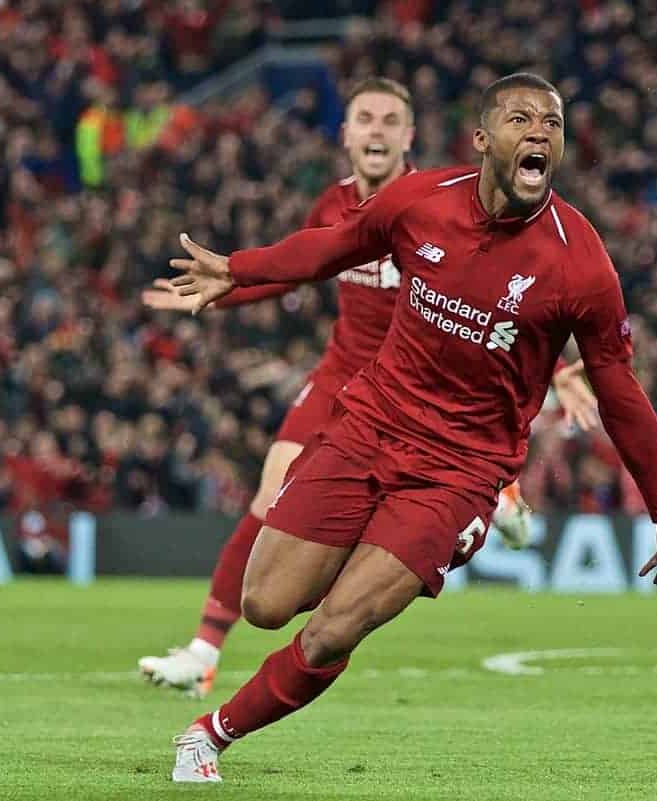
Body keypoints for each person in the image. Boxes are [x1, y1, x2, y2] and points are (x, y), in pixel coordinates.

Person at [164, 72, 657, 783]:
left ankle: (210, 734)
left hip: (459, 470)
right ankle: (352, 555)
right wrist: (239, 270)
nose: (539, 133)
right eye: (521, 119)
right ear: (482, 139)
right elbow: (332, 246)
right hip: (369, 426)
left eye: (553, 124)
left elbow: (619, 389)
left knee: (336, 627)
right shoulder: (420, 201)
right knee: (265, 602)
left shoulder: (581, 262)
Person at [136, 77, 599, 699]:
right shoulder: (331, 206)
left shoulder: (436, 202)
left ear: (408, 137)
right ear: (346, 134)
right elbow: (300, 268)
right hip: (340, 376)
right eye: (364, 119)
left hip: (416, 392)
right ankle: (203, 650)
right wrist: (221, 289)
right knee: (269, 496)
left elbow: (505, 297)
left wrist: (560, 365)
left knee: (314, 511)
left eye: (389, 121)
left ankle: (491, 498)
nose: (376, 130)